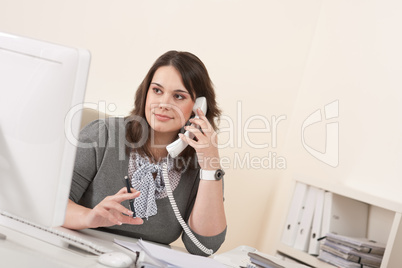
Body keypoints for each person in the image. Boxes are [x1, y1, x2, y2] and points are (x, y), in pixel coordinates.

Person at [63, 51, 227, 256]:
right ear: (146, 92)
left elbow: (204, 246)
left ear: (198, 108)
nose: (163, 104)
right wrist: (89, 217)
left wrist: (211, 166)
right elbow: (51, 204)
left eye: (178, 96)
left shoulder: (199, 165)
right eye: (157, 90)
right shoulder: (102, 135)